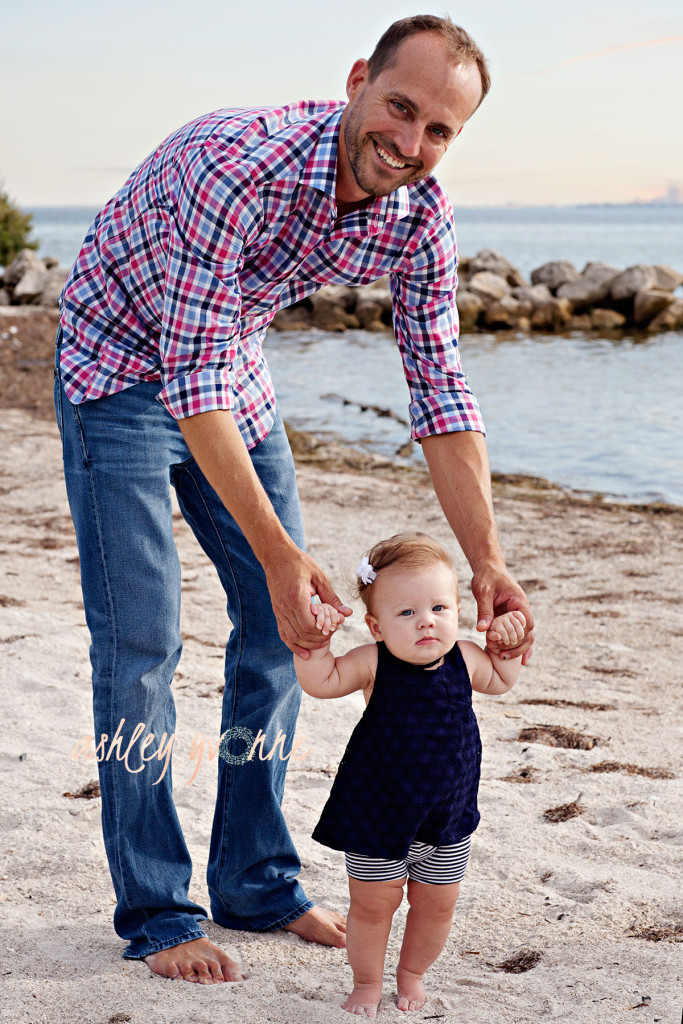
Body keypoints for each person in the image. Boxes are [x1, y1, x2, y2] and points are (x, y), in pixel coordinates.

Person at [53, 13, 534, 985]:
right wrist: (276, 553)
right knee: (143, 644)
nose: (409, 143)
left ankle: (256, 878)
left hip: (230, 373)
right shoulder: (236, 164)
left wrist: (484, 558)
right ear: (358, 79)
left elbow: (438, 391)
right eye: (399, 108)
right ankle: (155, 909)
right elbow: (184, 381)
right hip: (116, 371)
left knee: (291, 631)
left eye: (437, 130)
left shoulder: (420, 212)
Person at [294, 533, 526, 1017]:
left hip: (448, 815)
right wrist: (315, 644)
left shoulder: (466, 658)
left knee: (437, 905)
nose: (427, 621)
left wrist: (506, 647)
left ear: (459, 611)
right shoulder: (374, 662)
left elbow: (502, 682)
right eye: (407, 613)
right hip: (378, 816)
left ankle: (412, 973)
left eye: (440, 608)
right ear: (376, 626)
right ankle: (367, 981)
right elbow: (322, 681)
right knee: (375, 907)